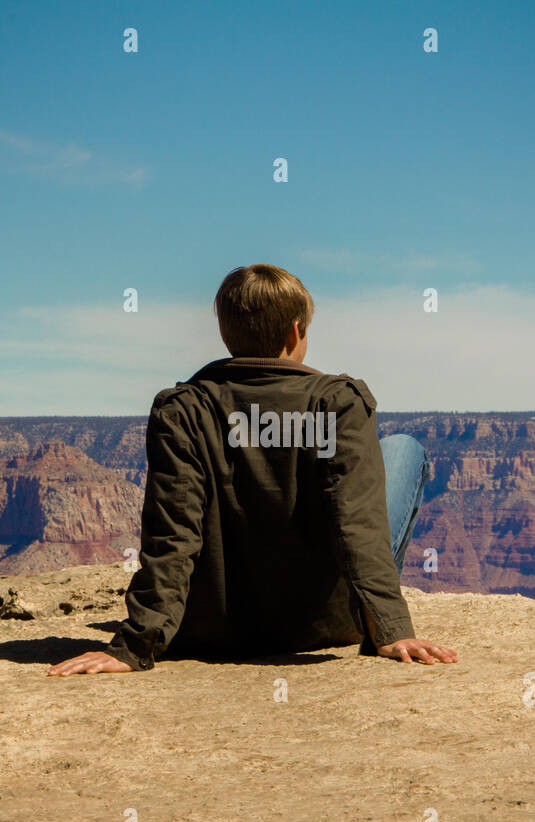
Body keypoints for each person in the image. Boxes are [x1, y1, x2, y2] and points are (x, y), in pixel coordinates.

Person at [49, 264, 458, 676]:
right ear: (296, 332)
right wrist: (390, 629)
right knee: (403, 449)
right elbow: (357, 521)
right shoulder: (337, 402)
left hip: (214, 629)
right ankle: (370, 618)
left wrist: (136, 644)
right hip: (321, 629)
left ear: (228, 336)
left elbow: (173, 533)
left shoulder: (184, 408)